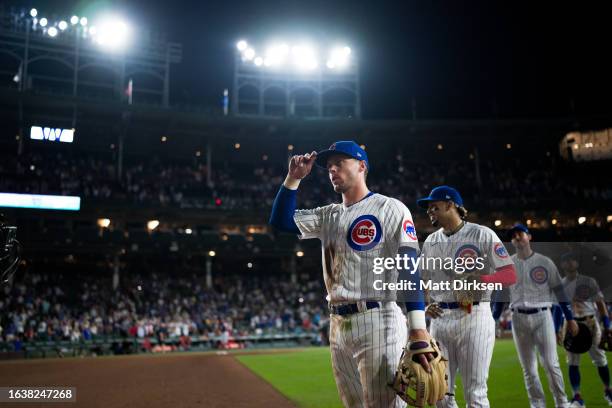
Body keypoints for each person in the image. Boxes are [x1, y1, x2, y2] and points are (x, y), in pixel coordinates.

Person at [269, 141, 432, 407]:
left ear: (361, 166)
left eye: (339, 163)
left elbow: (408, 267)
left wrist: (418, 329)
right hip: (338, 325)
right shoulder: (328, 215)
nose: (332, 169)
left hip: (379, 320)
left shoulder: (390, 208)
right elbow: (280, 222)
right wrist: (293, 178)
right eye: (329, 166)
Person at [417, 185, 517, 408]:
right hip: (440, 319)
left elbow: (510, 274)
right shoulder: (431, 242)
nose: (429, 211)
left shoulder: (482, 234)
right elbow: (423, 279)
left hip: (473, 315)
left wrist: (483, 280)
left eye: (434, 206)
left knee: (475, 394)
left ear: (451, 204)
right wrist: (427, 304)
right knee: (440, 394)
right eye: (428, 208)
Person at [492, 223, 577, 408]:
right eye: (513, 236)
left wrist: (569, 319)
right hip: (518, 318)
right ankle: (537, 404)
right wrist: (494, 319)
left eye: (520, 234)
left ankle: (562, 402)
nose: (516, 238)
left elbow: (560, 293)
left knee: (551, 365)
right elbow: (500, 295)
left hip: (542, 316)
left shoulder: (545, 262)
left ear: (529, 237)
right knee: (529, 369)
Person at [558, 251, 612, 407]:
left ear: (577, 263)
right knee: (572, 362)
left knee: (600, 359)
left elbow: (601, 305)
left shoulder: (589, 281)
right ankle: (577, 397)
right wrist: (557, 329)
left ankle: (608, 390)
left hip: (590, 322)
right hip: (570, 324)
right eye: (566, 260)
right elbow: (557, 309)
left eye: (572, 260)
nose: (569, 263)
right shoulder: (560, 285)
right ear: (562, 265)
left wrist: (607, 326)